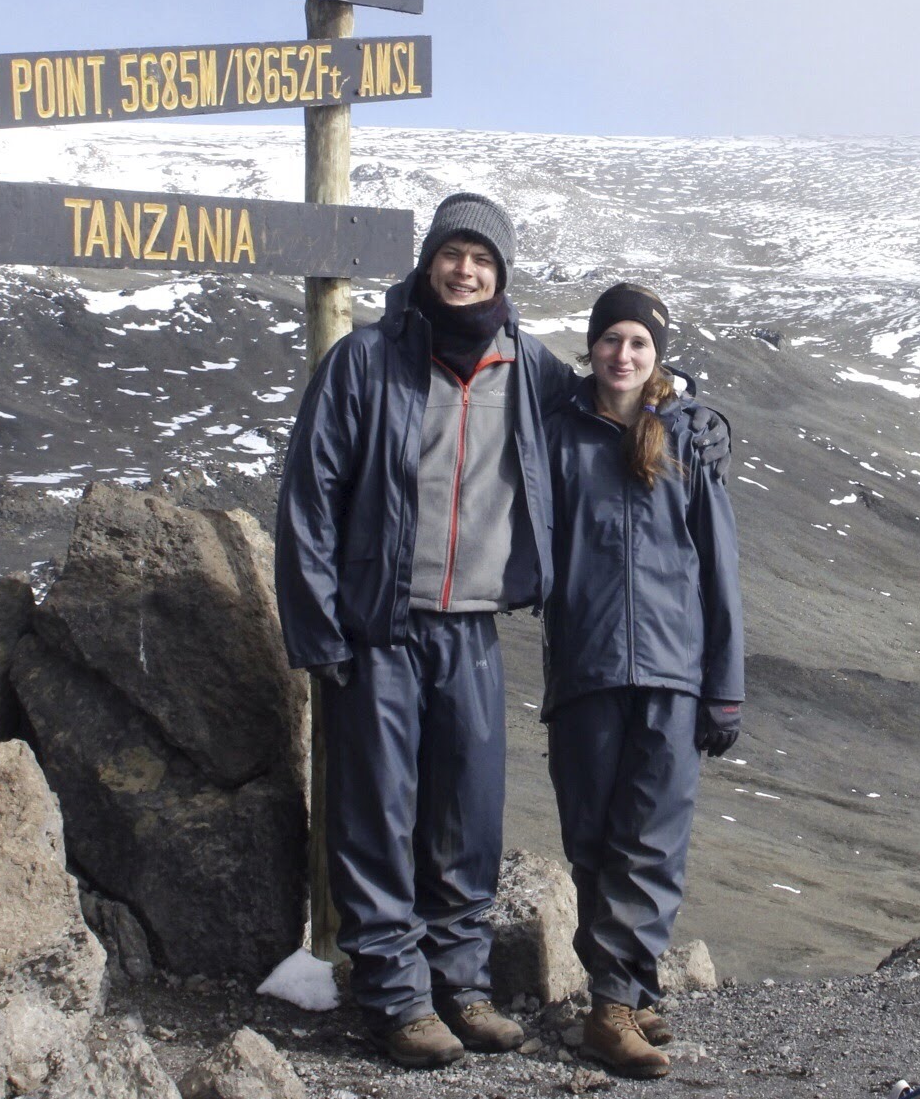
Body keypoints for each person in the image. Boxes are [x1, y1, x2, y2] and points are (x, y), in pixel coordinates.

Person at [272, 192, 563, 1069]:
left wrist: (687, 412)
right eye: (452, 254)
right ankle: (396, 998)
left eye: (482, 259)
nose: (465, 271)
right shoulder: (367, 360)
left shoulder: (531, 368)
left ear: (501, 274)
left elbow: (611, 410)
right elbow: (310, 497)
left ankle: (460, 985)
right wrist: (320, 630)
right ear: (429, 261)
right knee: (377, 813)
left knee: (466, 815)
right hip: (379, 628)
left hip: (472, 627)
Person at [542, 282, 744, 1081]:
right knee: (592, 840)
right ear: (591, 346)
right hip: (586, 667)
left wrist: (724, 686)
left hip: (672, 670)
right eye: (610, 339)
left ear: (657, 355)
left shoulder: (688, 439)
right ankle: (625, 988)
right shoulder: (557, 433)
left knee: (651, 841)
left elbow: (720, 571)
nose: (621, 355)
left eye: (638, 344)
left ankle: (611, 1008)